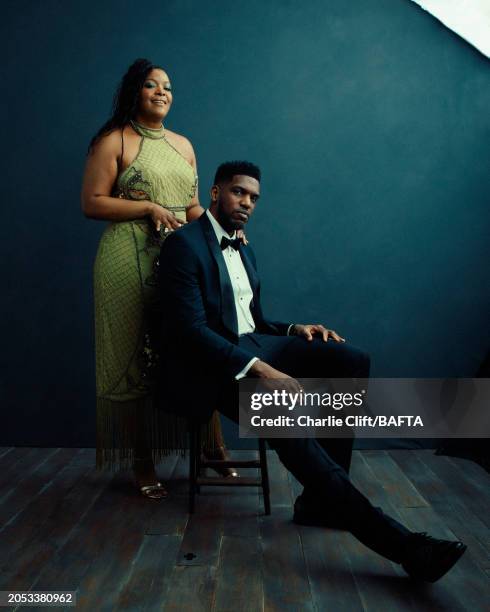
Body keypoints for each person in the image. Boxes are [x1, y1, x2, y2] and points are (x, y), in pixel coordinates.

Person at [157, 160, 466, 582]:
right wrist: (260, 368)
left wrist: (293, 330)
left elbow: (251, 320)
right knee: (288, 423)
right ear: (215, 193)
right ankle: (406, 548)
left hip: (252, 344)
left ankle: (320, 502)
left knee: (350, 359)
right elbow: (190, 332)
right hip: (213, 366)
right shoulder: (184, 245)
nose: (247, 202)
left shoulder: (242, 245)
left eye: (253, 197)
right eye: (238, 192)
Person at [81, 59, 236, 499]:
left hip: (179, 260)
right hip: (125, 259)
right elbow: (92, 202)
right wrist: (147, 208)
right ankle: (141, 461)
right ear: (135, 91)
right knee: (130, 359)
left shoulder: (183, 146)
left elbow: (189, 208)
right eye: (151, 85)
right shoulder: (114, 141)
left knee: (197, 347)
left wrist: (221, 232)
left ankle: (213, 450)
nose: (162, 92)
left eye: (167, 86)